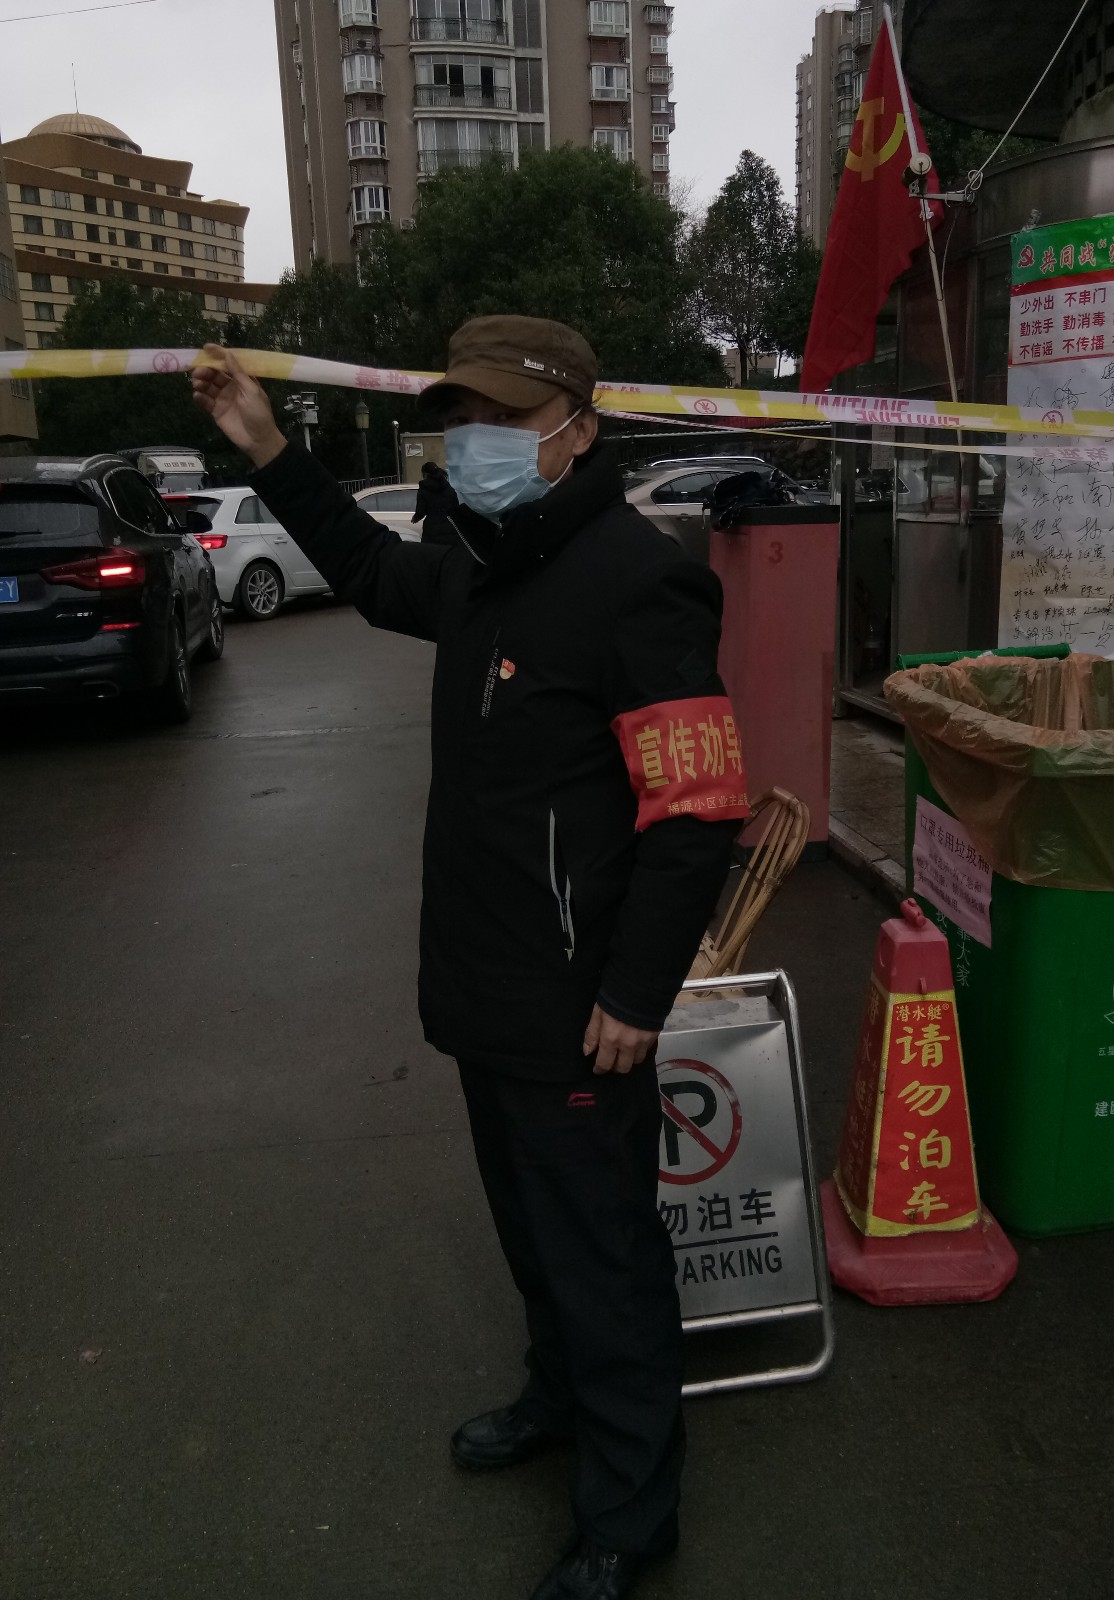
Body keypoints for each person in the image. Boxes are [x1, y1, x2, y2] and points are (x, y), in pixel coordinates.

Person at [191, 316, 749, 1600]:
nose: (476, 441)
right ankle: (557, 1399)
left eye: (505, 418)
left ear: (577, 432)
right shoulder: (483, 563)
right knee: (533, 1234)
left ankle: (629, 1512)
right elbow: (368, 568)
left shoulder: (638, 579)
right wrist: (268, 446)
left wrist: (635, 990)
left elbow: (696, 809)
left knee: (603, 1258)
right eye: (463, 418)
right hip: (485, 989)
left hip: (581, 1008)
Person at [411, 458, 459, 546]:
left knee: (431, 551)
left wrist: (416, 517)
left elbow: (421, 510)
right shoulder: (448, 487)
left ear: (425, 474)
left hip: (431, 527)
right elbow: (456, 507)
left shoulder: (424, 489)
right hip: (449, 526)